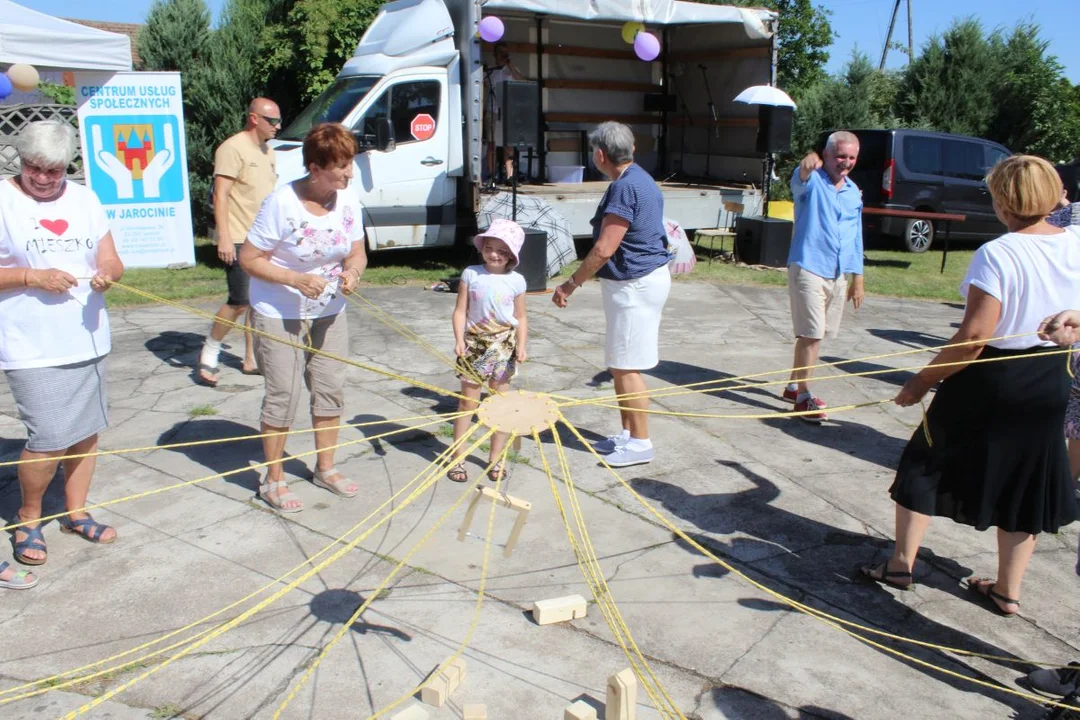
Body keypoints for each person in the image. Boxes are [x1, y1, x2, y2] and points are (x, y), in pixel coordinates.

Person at [858, 155, 1080, 619]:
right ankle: (1007, 590)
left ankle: (901, 565)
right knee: (1026, 479)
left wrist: (923, 379)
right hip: (1050, 377)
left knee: (925, 459)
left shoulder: (999, 252)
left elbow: (976, 337)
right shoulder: (1076, 244)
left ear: (1002, 200)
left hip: (992, 377)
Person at [0, 120, 125, 566]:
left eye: (55, 170)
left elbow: (109, 256)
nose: (45, 178)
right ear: (23, 161)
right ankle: (28, 517)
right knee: (49, 436)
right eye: (36, 167)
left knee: (85, 432)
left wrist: (109, 273)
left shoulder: (85, 199)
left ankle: (76, 512)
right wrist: (32, 276)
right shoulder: (3, 199)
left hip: (88, 337)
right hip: (32, 344)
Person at [238, 123, 367, 513]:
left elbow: (357, 252)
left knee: (330, 390)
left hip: (330, 310)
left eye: (350, 163)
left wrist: (353, 273)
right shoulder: (281, 203)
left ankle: (324, 469)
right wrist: (294, 278)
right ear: (314, 168)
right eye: (340, 166)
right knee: (283, 395)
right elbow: (249, 258)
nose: (349, 173)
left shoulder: (348, 200)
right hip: (279, 311)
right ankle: (272, 479)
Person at [551, 121, 671, 468]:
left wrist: (570, 284)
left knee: (627, 366)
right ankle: (627, 433)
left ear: (600, 155)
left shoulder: (626, 188)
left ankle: (641, 442)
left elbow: (604, 248)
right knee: (619, 364)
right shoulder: (638, 179)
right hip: (636, 282)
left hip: (636, 285)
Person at [783, 131, 865, 423]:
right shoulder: (811, 180)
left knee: (817, 333)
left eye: (852, 157)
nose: (846, 162)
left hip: (838, 272)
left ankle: (794, 386)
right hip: (809, 267)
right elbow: (801, 175)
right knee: (812, 334)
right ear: (827, 155)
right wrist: (808, 163)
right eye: (840, 156)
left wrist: (858, 278)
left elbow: (855, 236)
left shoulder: (854, 191)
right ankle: (804, 398)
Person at [198, 98, 281, 386]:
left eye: (278, 121)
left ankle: (251, 359)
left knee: (257, 302)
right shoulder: (232, 148)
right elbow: (221, 195)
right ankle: (210, 350)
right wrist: (223, 236)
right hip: (236, 236)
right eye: (272, 121)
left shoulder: (269, 152)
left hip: (262, 238)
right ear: (254, 119)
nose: (277, 126)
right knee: (239, 300)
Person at [447, 218, 528, 483]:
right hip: (474, 345)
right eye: (490, 247)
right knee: (467, 404)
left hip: (504, 345)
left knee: (499, 406)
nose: (494, 254)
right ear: (482, 247)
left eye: (502, 251)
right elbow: (460, 311)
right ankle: (457, 457)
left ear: (511, 256)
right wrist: (459, 339)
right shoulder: (471, 274)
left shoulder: (517, 281)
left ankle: (496, 457)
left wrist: (522, 345)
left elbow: (521, 317)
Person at [484, 42, 524, 184]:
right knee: (491, 144)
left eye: (505, 52)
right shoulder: (489, 70)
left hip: (508, 110)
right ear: (495, 54)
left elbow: (521, 81)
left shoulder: (511, 70)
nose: (503, 55)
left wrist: (510, 64)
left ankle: (510, 176)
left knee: (509, 144)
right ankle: (492, 175)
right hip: (492, 109)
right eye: (500, 52)